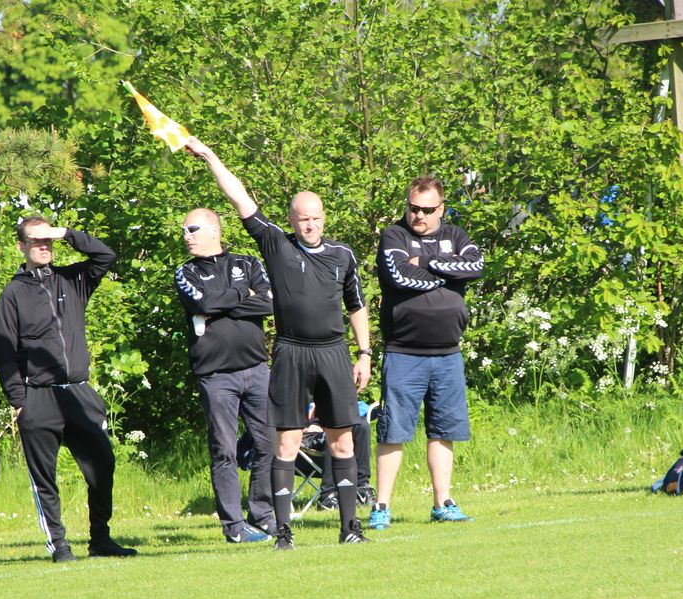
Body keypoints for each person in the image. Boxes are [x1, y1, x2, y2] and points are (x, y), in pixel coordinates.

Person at [185, 137, 373, 550]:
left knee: (342, 439)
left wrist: (364, 354)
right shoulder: (276, 244)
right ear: (291, 220)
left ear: (324, 218)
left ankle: (349, 527)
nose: (310, 225)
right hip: (291, 352)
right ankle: (283, 531)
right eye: (303, 219)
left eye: (316, 218)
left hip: (334, 352)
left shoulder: (342, 255)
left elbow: (357, 306)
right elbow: (239, 198)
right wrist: (210, 156)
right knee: (285, 442)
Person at [0, 216, 136, 562]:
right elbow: (4, 351)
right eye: (35, 240)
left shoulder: (72, 280)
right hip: (38, 397)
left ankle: (100, 539)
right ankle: (59, 544)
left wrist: (66, 233)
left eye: (48, 240)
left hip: (78, 393)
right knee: (45, 478)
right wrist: (19, 400)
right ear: (21, 246)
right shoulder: (12, 294)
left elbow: (105, 256)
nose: (44, 246)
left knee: (102, 464)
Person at [369, 177, 483, 531]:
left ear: (441, 209)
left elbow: (475, 265)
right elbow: (399, 275)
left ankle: (442, 502)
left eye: (427, 210)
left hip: (448, 354)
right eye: (414, 208)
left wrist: (427, 261)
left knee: (443, 430)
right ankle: (381, 506)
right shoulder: (394, 236)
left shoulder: (457, 234)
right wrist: (446, 270)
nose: (419, 215)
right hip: (404, 352)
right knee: (393, 431)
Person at [174, 208, 276, 543]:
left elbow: (269, 303)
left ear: (214, 230)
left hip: (257, 370)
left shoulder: (248, 264)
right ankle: (234, 527)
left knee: (268, 443)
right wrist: (243, 295)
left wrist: (222, 304)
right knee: (224, 451)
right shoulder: (185, 272)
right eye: (183, 231)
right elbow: (202, 304)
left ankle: (262, 515)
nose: (186, 236)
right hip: (216, 376)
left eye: (192, 229)